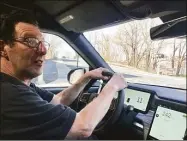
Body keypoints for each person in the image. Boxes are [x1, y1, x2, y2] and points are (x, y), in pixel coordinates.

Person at [0, 10, 127, 139]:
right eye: (30, 41)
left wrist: (85, 77)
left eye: (42, 43)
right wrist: (112, 87)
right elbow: (82, 128)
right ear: (3, 48)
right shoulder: (9, 93)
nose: (43, 51)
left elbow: (59, 100)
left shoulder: (21, 85)